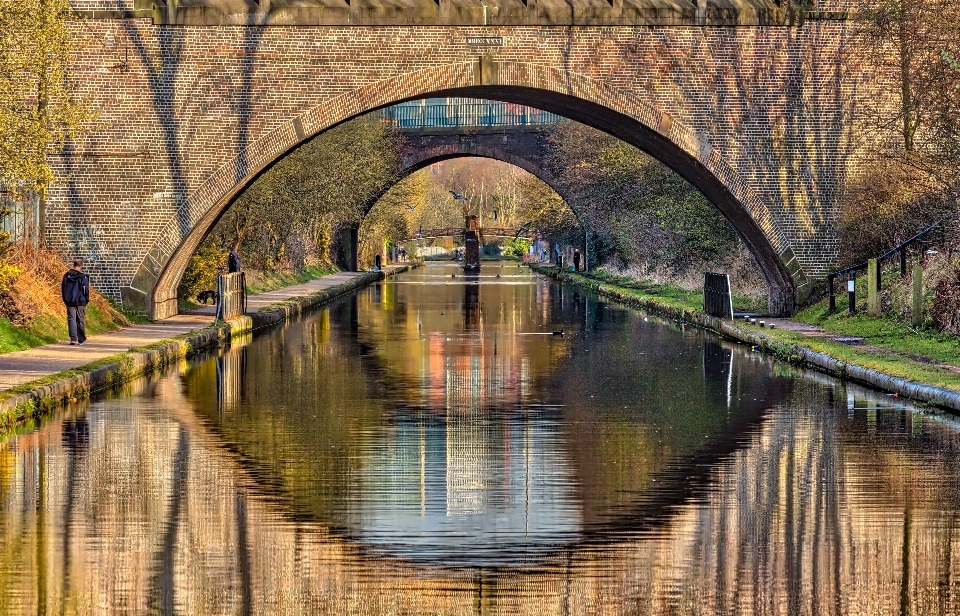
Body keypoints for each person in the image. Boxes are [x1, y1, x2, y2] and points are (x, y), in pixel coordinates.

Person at [61, 258, 90, 346]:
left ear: (74, 265)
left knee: (71, 319)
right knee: (80, 319)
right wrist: (86, 299)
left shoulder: (66, 276)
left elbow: (63, 288)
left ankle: (73, 338)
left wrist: (65, 299)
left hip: (69, 301)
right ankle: (81, 339)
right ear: (81, 266)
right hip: (81, 301)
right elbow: (86, 290)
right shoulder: (83, 277)